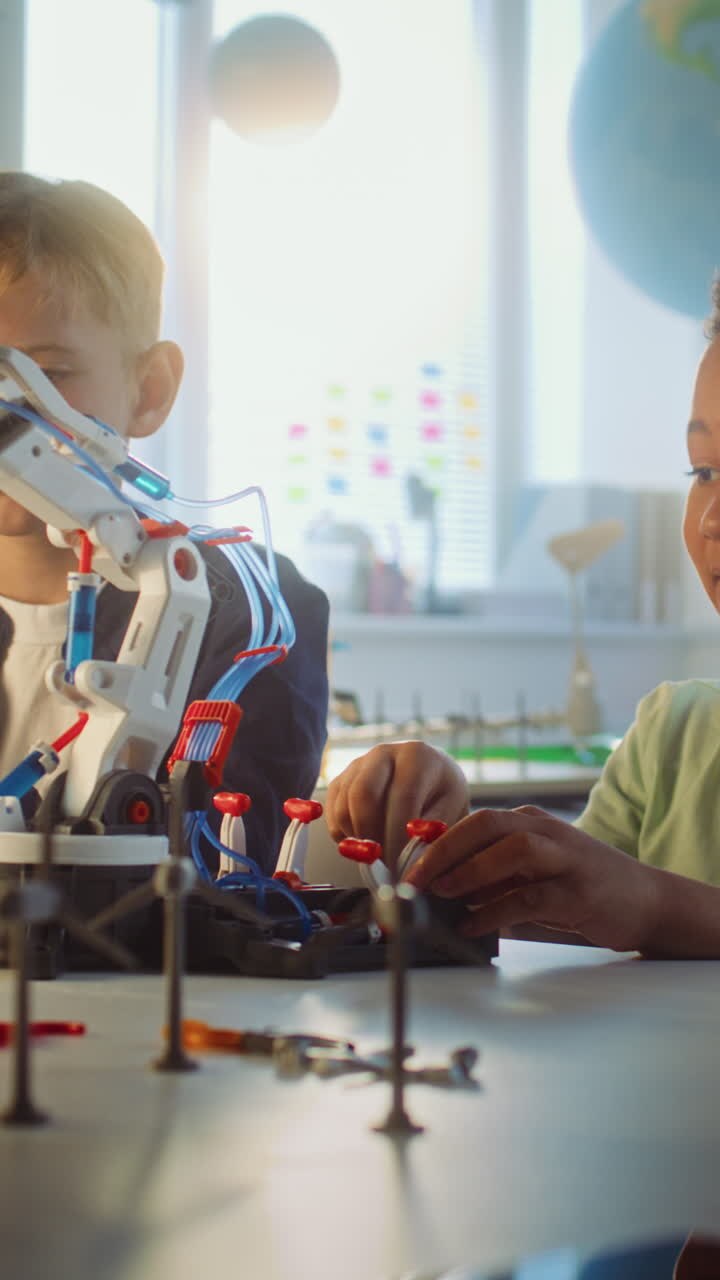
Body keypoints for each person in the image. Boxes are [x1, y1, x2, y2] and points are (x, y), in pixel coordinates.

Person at [325, 278, 720, 958]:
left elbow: (635, 906)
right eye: (703, 472)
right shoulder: (674, 736)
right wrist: (444, 851)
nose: (711, 519)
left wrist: (658, 907)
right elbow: (578, 903)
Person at [0, 171, 329, 870]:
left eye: (49, 374)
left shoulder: (249, 613)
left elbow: (229, 865)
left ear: (148, 392)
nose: (8, 412)